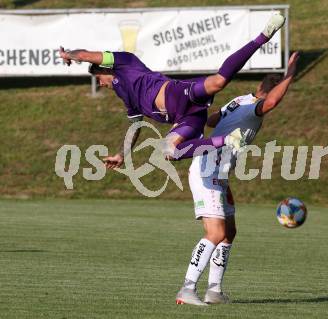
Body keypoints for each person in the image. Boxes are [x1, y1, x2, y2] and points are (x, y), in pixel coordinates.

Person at [58, 13, 285, 166]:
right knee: (169, 151)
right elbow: (135, 125)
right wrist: (122, 154)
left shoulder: (123, 61)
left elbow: (86, 54)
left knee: (218, 81)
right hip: (187, 117)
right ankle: (227, 141)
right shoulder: (123, 94)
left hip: (174, 94)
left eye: (98, 78)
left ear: (103, 68)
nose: (100, 83)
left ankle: (262, 36)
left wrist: (69, 54)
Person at [176, 52, 300, 305]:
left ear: (258, 86)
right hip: (208, 170)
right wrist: (290, 75)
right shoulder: (255, 108)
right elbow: (272, 102)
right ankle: (187, 289)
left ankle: (214, 291)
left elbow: (211, 121)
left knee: (229, 231)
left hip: (218, 173)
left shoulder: (239, 100)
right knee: (215, 232)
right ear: (272, 91)